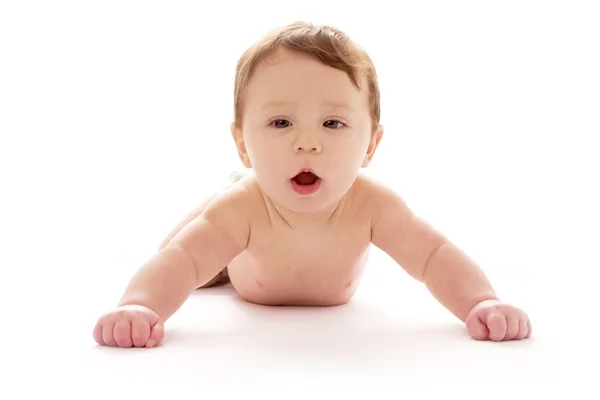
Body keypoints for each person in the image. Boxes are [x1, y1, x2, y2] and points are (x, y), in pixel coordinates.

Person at [93, 21, 532, 348]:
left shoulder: (373, 205)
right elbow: (183, 260)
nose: (307, 143)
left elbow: (435, 256)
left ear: (370, 146)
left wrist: (480, 302)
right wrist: (141, 307)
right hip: (238, 237)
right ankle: (209, 225)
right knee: (197, 246)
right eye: (281, 122)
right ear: (243, 143)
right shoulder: (243, 207)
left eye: (333, 123)